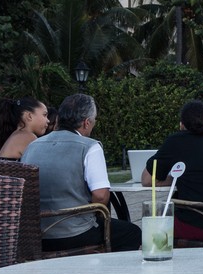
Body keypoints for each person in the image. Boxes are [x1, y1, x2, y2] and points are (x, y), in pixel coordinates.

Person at [22, 93, 141, 252]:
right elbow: (100, 195)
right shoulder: (89, 146)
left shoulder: (32, 146)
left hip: (36, 236)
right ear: (86, 123)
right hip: (75, 233)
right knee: (132, 233)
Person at [143, 100, 203, 242]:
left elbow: (147, 180)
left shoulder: (176, 141)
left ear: (182, 123)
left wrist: (173, 177)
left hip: (194, 224)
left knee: (150, 236)